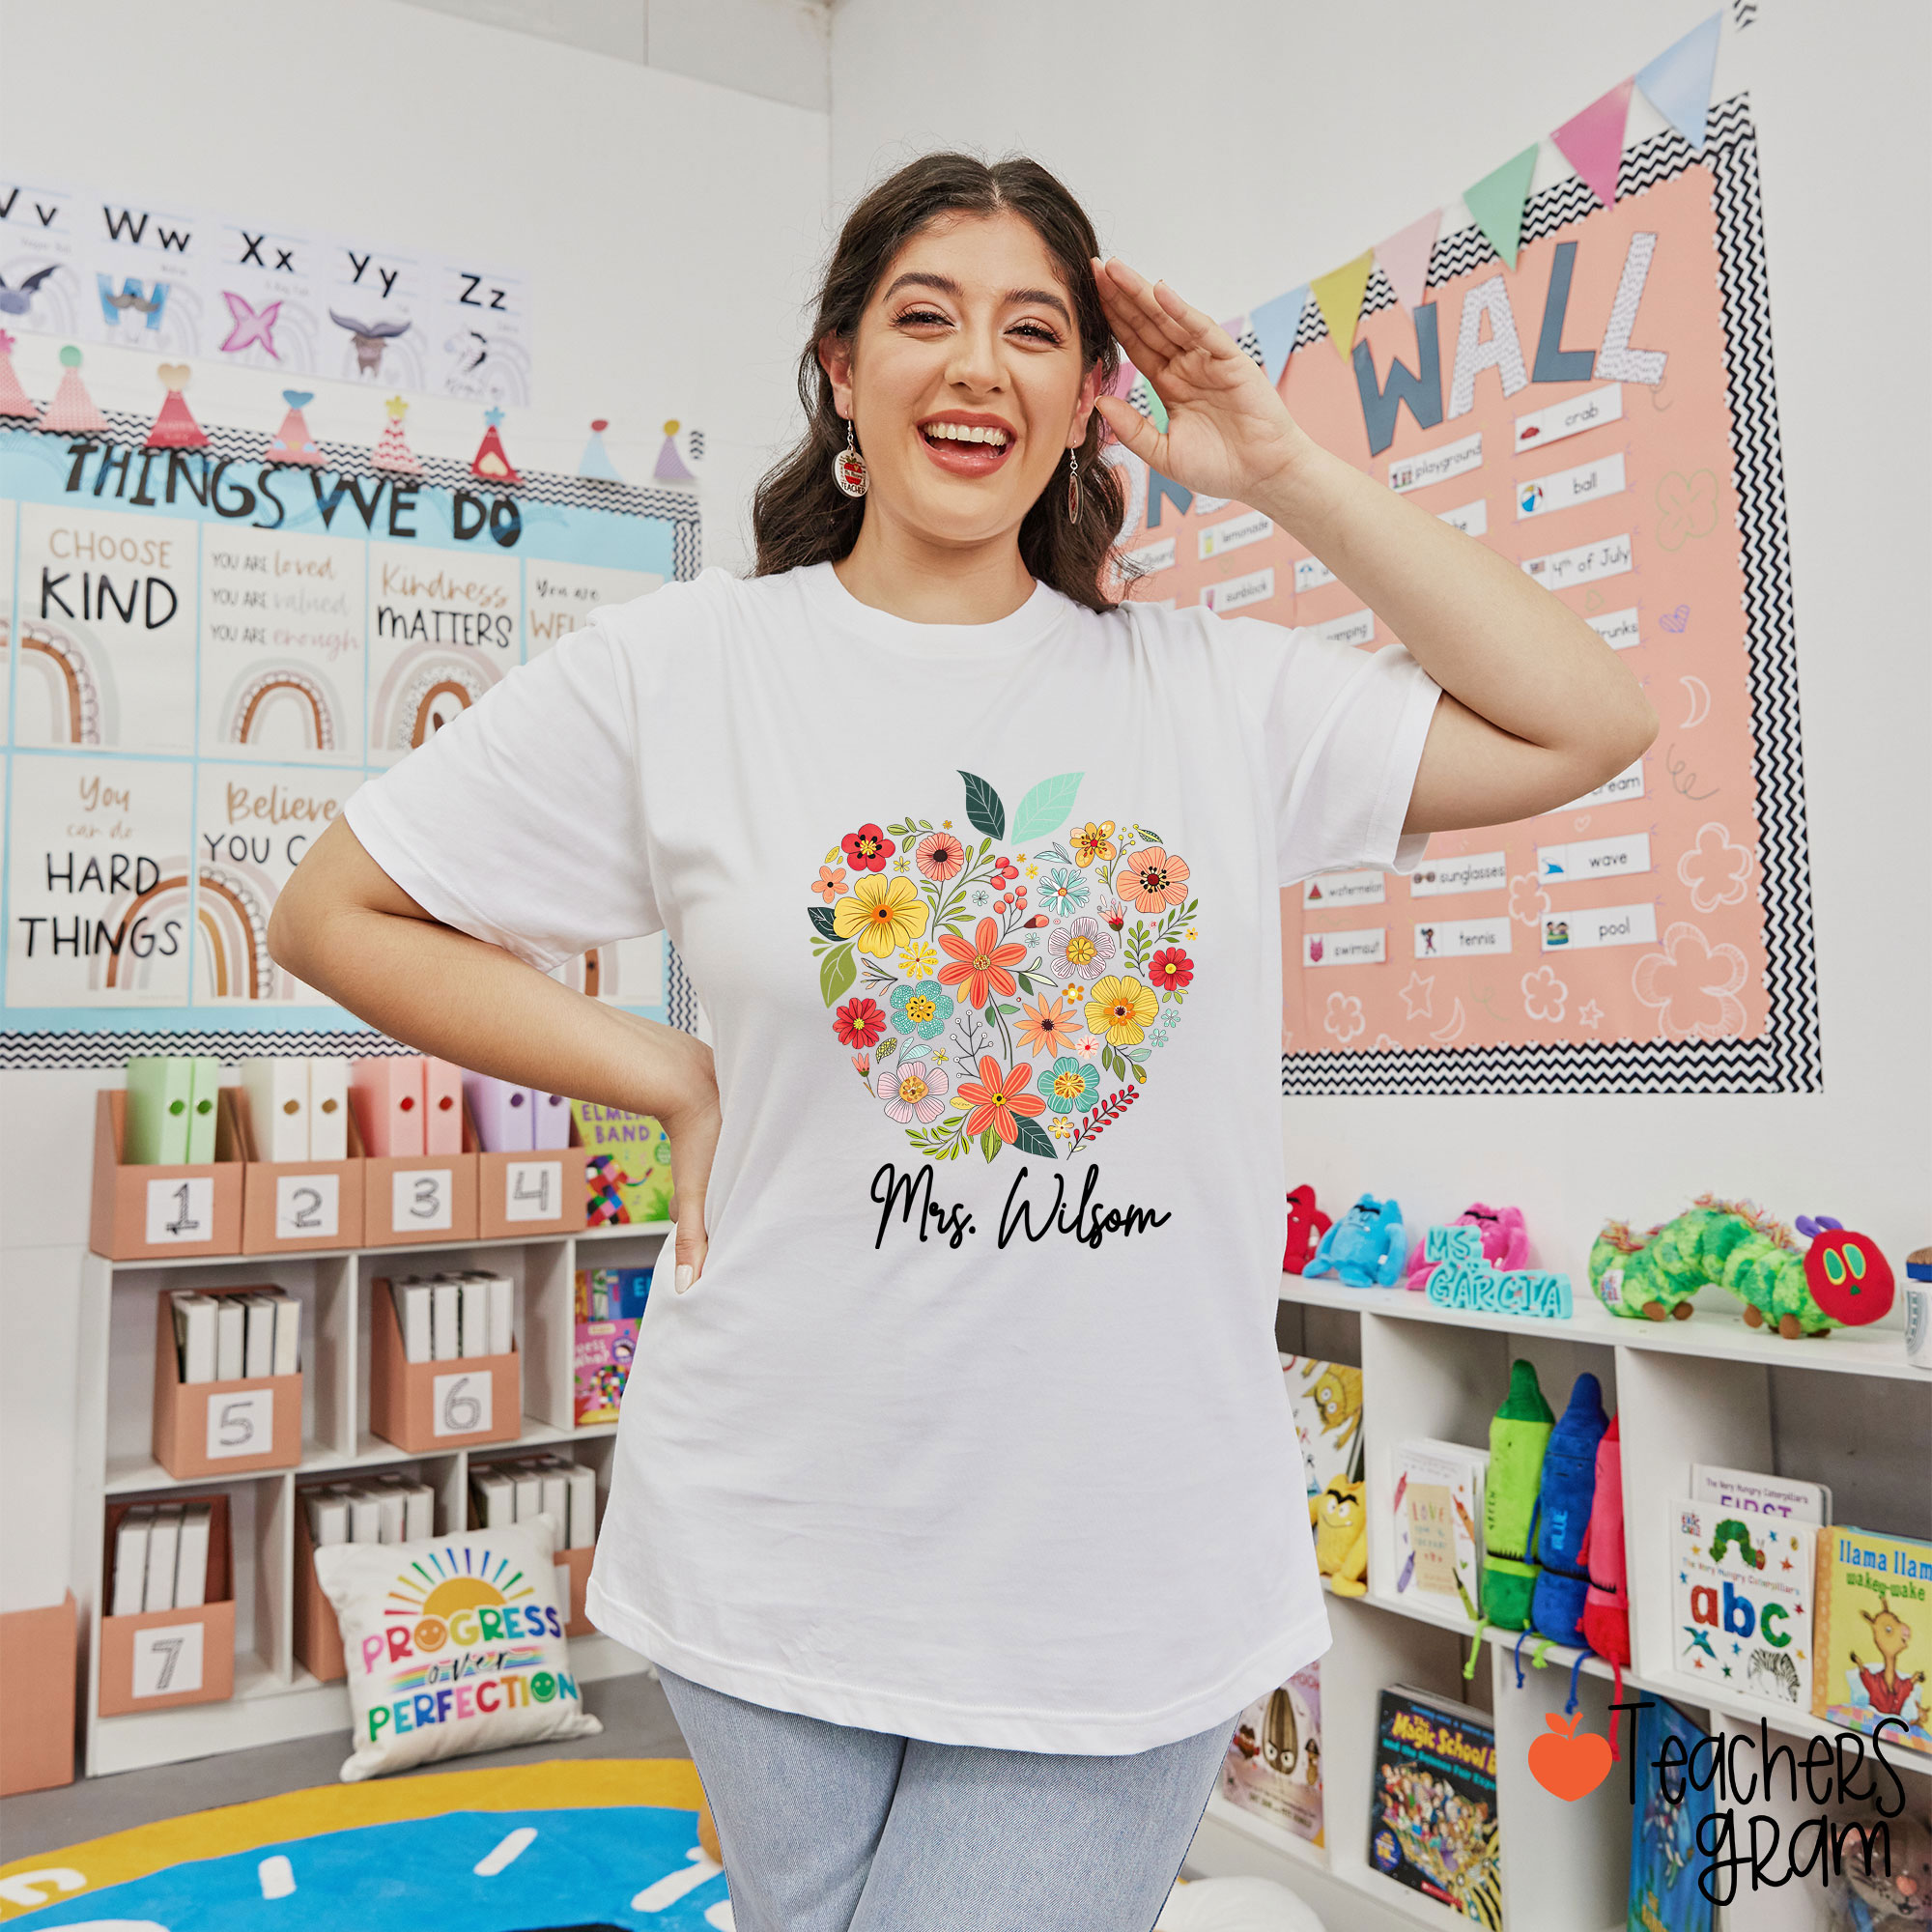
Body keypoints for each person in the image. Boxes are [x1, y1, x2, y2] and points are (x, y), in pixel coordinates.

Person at [270, 153, 1655, 1931]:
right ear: (840, 367)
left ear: (1093, 398)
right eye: (924, 318)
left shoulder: (1214, 693)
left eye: (1035, 330)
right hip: (767, 1523)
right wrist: (664, 1069)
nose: (977, 366)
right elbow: (336, 912)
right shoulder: (682, 670)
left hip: (1117, 1554)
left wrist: (1290, 470)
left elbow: (1586, 720)